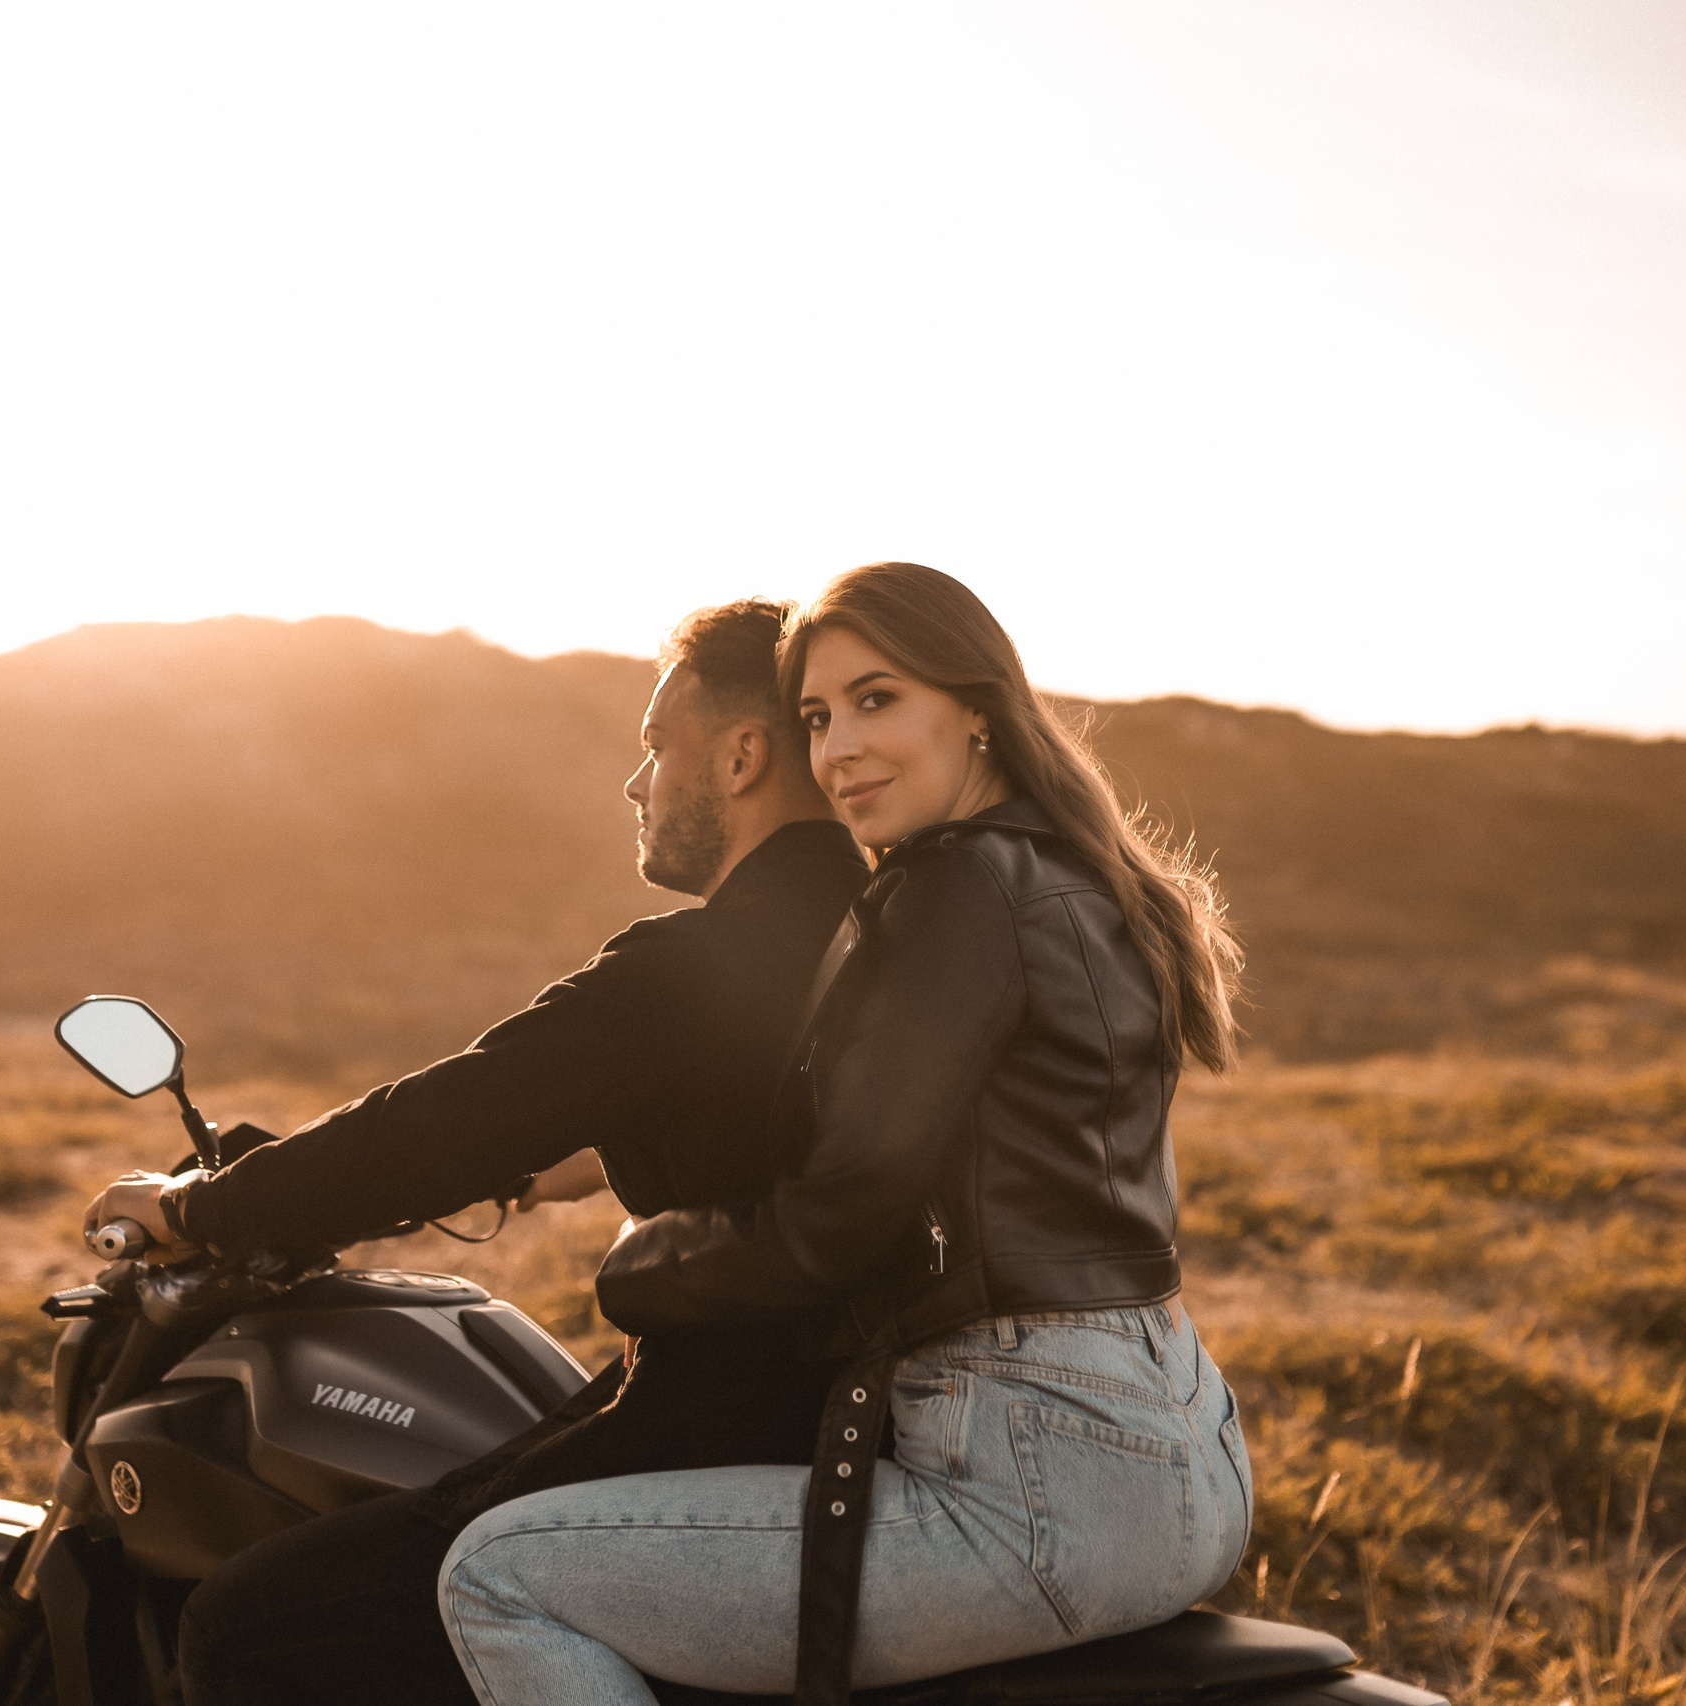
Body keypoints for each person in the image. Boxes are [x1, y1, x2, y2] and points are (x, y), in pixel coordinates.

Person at [437, 562, 1255, 1705]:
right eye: (817, 716)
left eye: (878, 700)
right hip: (1183, 1442)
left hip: (1035, 1471)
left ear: (974, 704)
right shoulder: (1071, 872)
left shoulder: (949, 885)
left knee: (498, 1571)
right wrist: (567, 1167)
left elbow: (841, 1210)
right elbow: (965, 1129)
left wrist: (637, 1266)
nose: (838, 749)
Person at [77, 599, 870, 1706]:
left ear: (741, 756)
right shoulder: (885, 930)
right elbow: (783, 1107)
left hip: (719, 1413)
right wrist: (572, 1157)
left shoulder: (689, 966)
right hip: (861, 1405)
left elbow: (432, 1126)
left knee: (256, 1623)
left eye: (655, 745)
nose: (635, 783)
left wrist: (199, 1208)